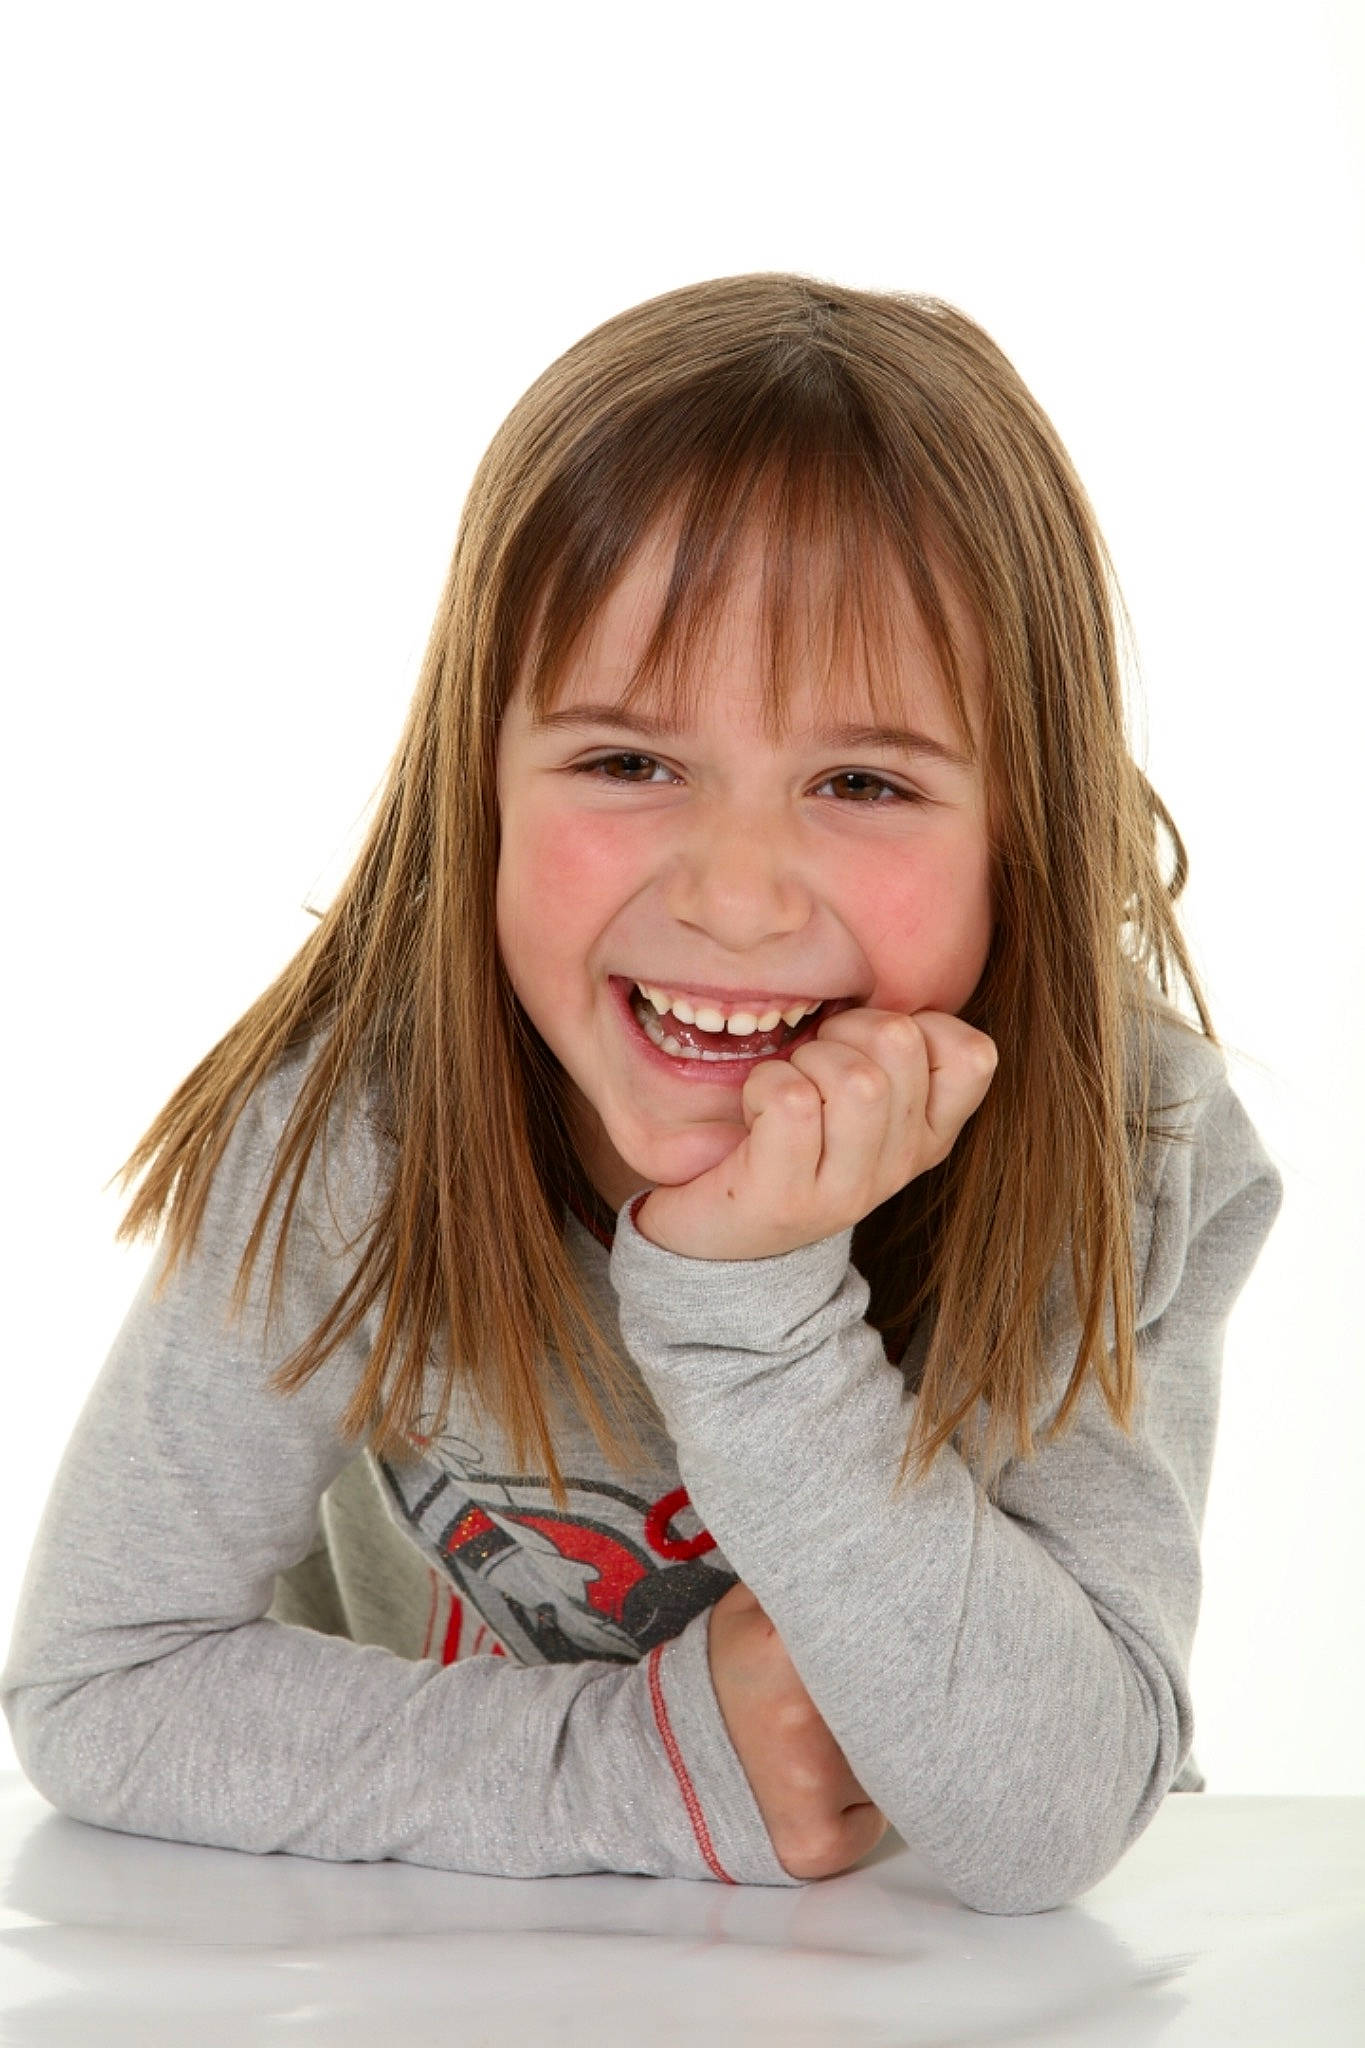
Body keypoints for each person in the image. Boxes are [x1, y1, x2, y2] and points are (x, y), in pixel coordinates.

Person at [1, 275, 1282, 1915]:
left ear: (1020, 831)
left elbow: (1049, 1822)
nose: (734, 898)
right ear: (479, 781)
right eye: (627, 762)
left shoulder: (1128, 1150)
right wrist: (648, 1765)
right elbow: (102, 1686)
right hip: (456, 1963)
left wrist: (748, 1301)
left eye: (862, 780)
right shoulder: (360, 1135)